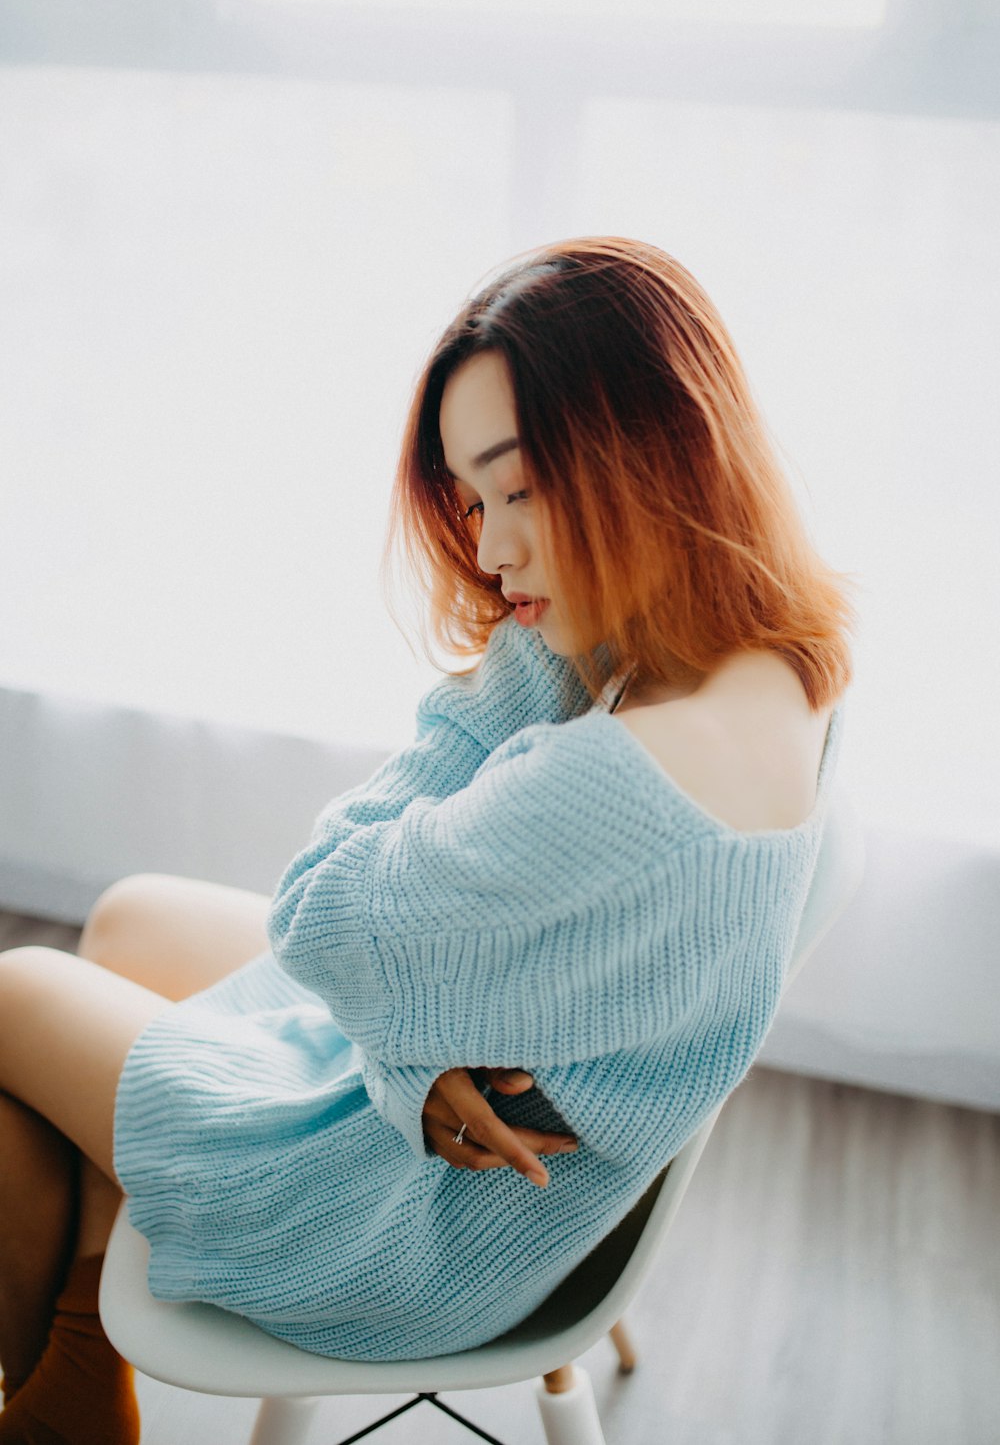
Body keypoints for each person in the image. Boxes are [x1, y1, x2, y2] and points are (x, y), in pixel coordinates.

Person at [0, 235, 857, 1442]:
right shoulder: (763, 655)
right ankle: (82, 1367)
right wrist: (414, 1050)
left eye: (520, 490)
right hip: (502, 1136)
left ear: (647, 452)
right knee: (131, 916)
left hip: (418, 1226)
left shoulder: (622, 776)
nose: (491, 551)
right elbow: (466, 966)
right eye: (473, 500)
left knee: (18, 991)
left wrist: (405, 1062)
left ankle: (65, 1388)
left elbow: (317, 907)